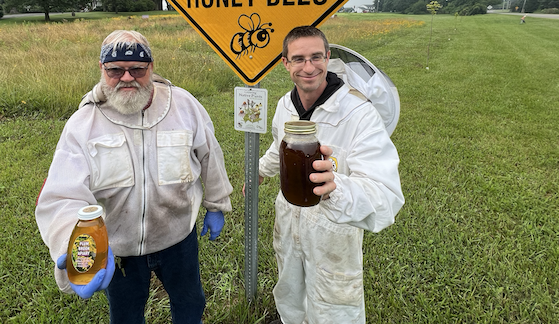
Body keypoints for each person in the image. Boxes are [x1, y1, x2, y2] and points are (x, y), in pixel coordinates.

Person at [36, 29, 234, 324]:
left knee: (190, 301)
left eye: (137, 69)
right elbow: (63, 193)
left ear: (151, 68)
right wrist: (69, 239)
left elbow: (210, 155)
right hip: (118, 246)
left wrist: (217, 204)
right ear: (102, 70)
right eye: (116, 70)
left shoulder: (183, 106)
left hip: (178, 235)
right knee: (126, 314)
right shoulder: (83, 123)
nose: (127, 78)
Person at [257, 26, 404, 324]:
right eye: (298, 59)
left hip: (334, 234)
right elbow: (278, 144)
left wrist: (336, 187)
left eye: (316, 57)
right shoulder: (285, 104)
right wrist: (260, 171)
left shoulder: (359, 113)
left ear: (327, 57)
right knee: (289, 286)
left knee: (333, 303)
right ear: (285, 63)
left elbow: (386, 196)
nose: (308, 67)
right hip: (288, 219)